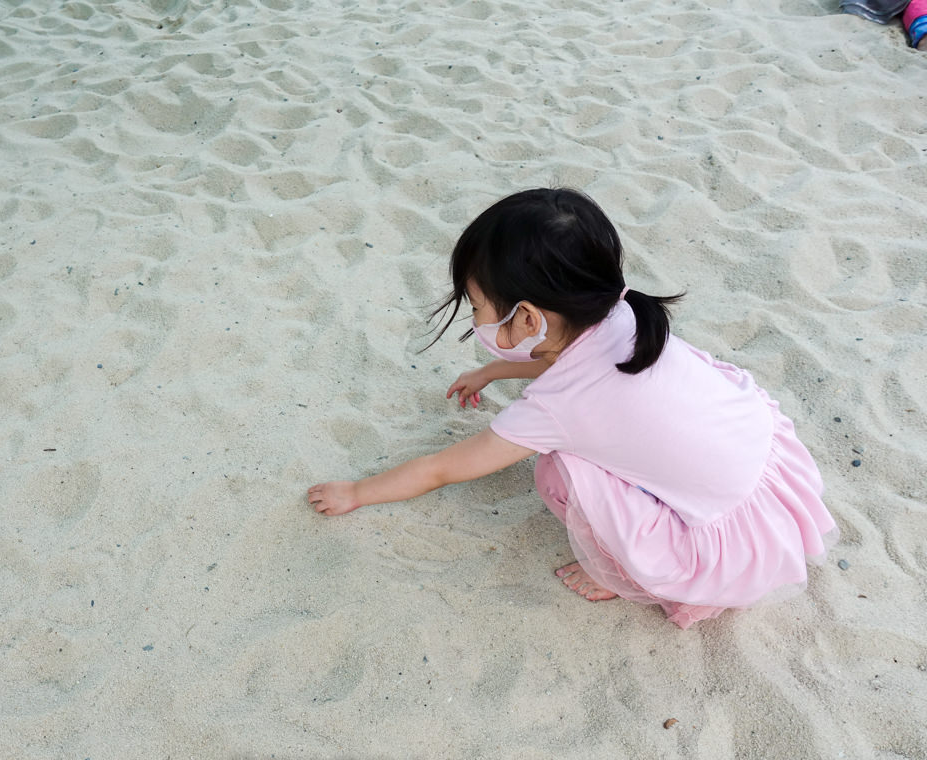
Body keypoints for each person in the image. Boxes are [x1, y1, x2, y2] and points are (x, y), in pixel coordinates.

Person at [306, 188, 837, 628]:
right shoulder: (621, 313)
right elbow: (573, 362)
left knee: (558, 470)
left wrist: (357, 492)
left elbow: (446, 468)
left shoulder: (559, 409)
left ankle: (625, 578)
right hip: (760, 471)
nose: (475, 316)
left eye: (477, 306)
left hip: (718, 535)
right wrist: (495, 370)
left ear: (529, 317)